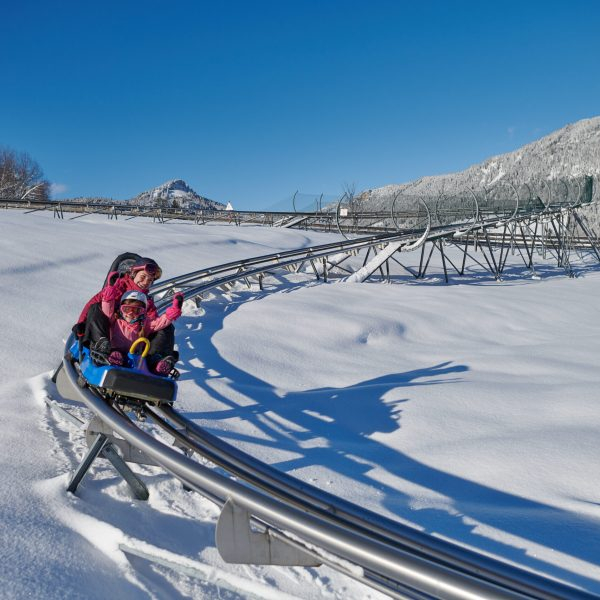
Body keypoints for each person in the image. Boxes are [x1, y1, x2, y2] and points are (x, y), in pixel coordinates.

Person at [85, 288, 183, 376]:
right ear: (121, 309)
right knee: (116, 354)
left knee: (166, 329)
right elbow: (107, 309)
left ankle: (158, 365)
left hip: (134, 356)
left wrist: (173, 312)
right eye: (127, 309)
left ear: (143, 312)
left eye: (137, 311)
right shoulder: (115, 319)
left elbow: (160, 323)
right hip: (114, 350)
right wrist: (110, 291)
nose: (131, 314)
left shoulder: (145, 324)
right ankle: (113, 361)